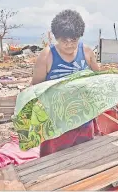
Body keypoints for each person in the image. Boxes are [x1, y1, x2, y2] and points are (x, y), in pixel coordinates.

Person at [31, 9, 101, 157]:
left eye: (73, 40)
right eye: (64, 41)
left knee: (85, 157)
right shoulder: (47, 56)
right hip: (56, 121)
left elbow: (98, 78)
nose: (69, 45)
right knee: (54, 160)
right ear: (56, 37)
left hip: (83, 118)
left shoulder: (87, 52)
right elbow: (35, 88)